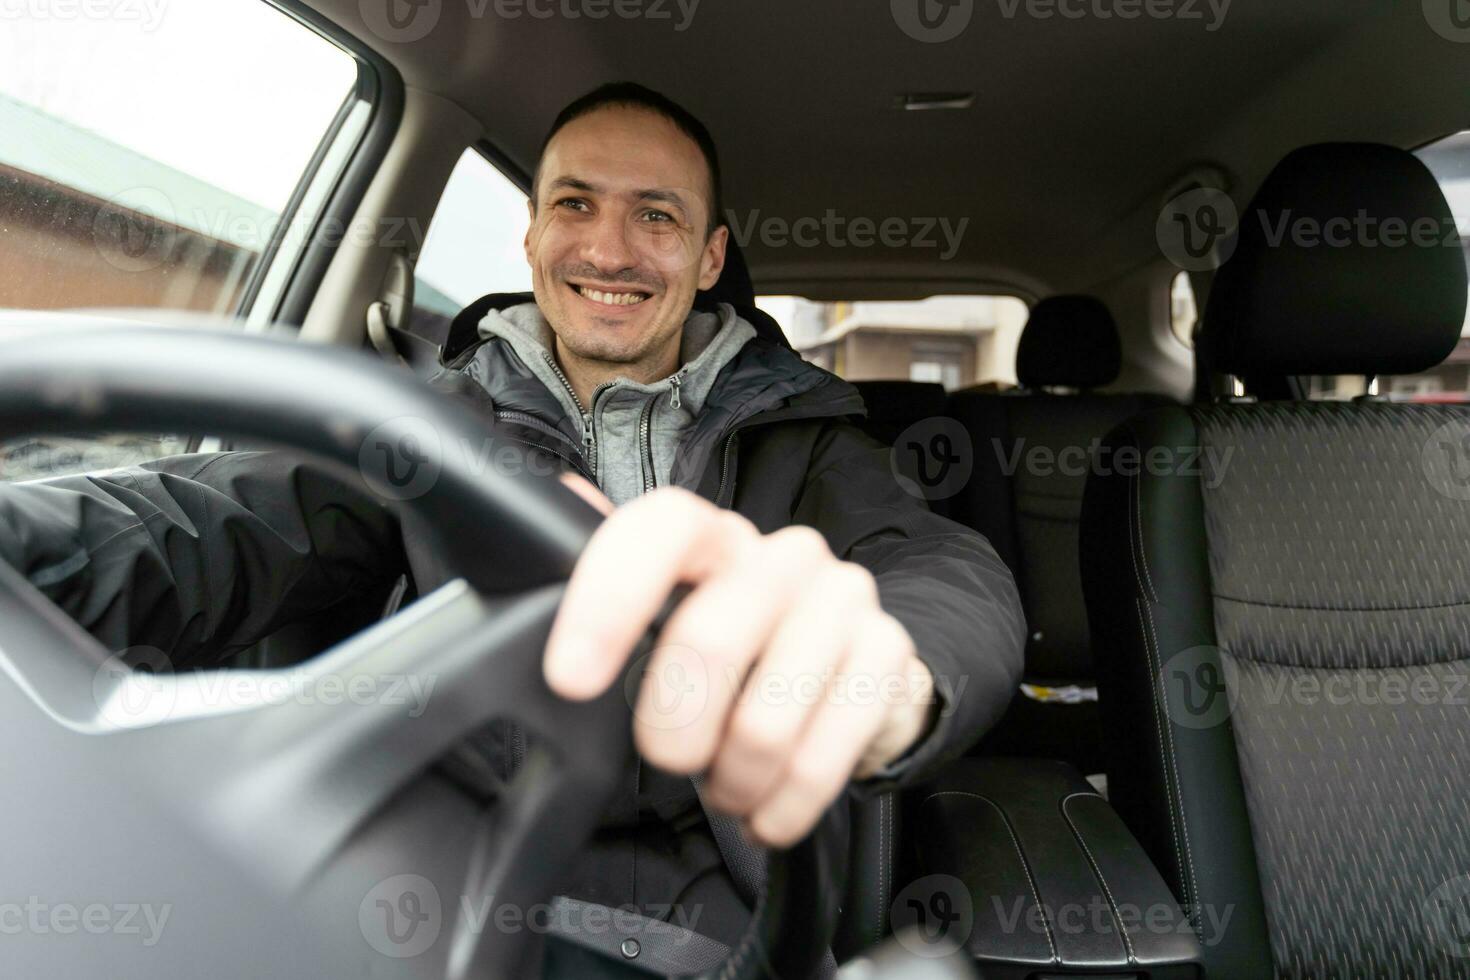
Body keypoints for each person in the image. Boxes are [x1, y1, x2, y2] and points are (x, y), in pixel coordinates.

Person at [0, 83, 1023, 968]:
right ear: (530, 233)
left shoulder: (807, 433)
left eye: (657, 216)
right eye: (574, 203)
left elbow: (939, 567)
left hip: (728, 900)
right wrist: (24, 540)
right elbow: (215, 517)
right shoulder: (425, 424)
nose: (608, 248)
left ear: (711, 257)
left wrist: (894, 667)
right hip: (453, 879)